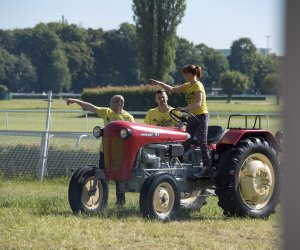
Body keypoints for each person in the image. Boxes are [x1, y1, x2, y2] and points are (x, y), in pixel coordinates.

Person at [66, 95, 135, 206]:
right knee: (102, 176)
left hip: (119, 154)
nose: (109, 104)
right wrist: (75, 101)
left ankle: (120, 203)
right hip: (105, 151)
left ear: (120, 103)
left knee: (119, 178)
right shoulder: (106, 112)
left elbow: (132, 136)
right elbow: (90, 106)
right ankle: (103, 202)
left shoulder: (129, 118)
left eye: (112, 102)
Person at [149, 64, 210, 178]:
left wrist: (183, 109)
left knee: (202, 141)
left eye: (185, 74)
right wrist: (159, 83)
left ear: (191, 74)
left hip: (201, 116)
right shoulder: (188, 86)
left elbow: (198, 104)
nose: (184, 77)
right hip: (192, 116)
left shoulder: (198, 86)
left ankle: (207, 167)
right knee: (186, 141)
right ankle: (180, 166)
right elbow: (171, 89)